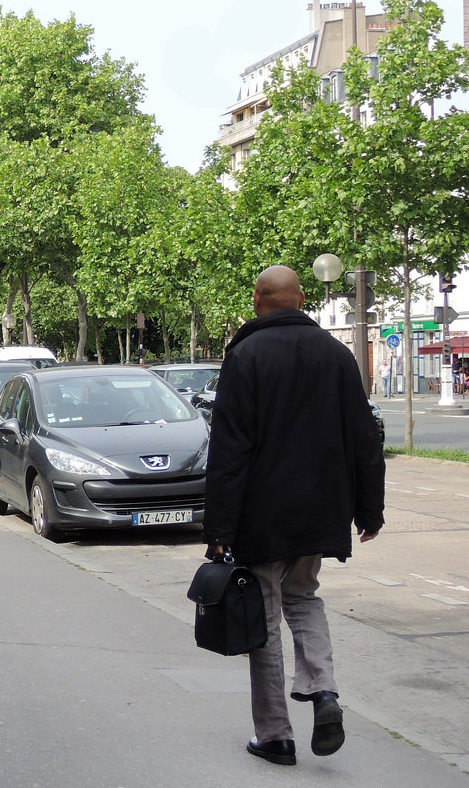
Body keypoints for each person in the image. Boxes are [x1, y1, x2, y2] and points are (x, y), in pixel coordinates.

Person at [202, 265, 385, 767]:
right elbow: (363, 438)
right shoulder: (338, 355)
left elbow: (230, 450)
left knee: (263, 615)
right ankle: (324, 691)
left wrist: (219, 530)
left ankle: (275, 735)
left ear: (258, 299)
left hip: (262, 516)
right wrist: (370, 508)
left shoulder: (245, 355)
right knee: (304, 597)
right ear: (300, 299)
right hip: (322, 511)